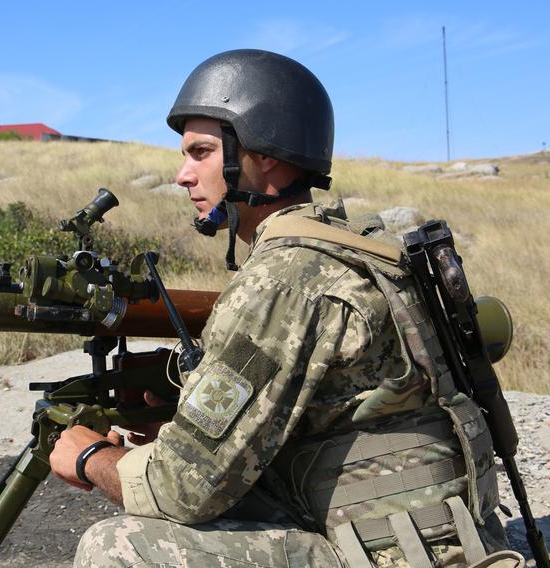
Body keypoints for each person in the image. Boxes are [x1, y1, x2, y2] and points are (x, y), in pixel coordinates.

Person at [49, 49, 522, 567]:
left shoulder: (285, 281)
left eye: (201, 152)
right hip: (432, 535)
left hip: (395, 554)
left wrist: (91, 456)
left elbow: (182, 489)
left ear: (263, 154)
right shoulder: (348, 248)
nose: (183, 175)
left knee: (115, 547)